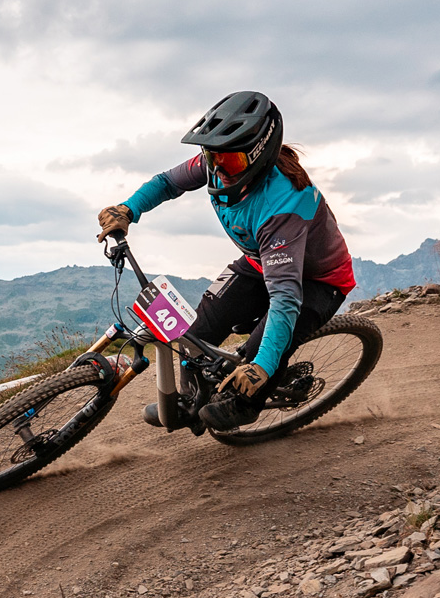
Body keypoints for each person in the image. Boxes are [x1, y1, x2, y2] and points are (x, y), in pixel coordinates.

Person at [97, 90, 355, 431]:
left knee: (258, 354)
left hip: (319, 281)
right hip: (261, 263)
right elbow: (166, 183)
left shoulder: (283, 206)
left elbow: (286, 299)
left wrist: (261, 366)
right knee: (193, 339)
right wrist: (128, 209)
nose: (217, 167)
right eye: (211, 156)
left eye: (228, 161)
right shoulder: (218, 163)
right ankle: (193, 403)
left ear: (258, 155)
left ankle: (248, 404)